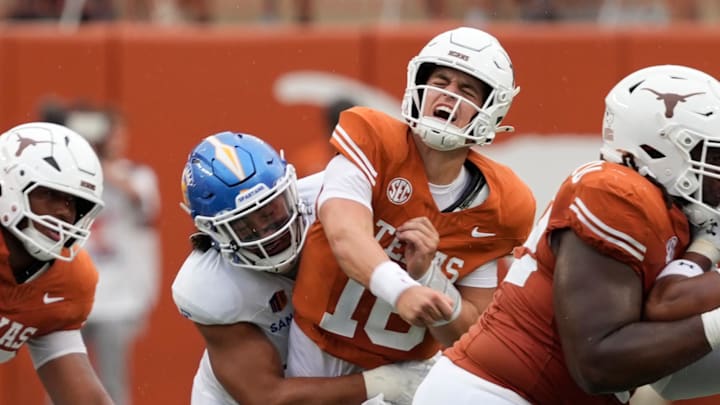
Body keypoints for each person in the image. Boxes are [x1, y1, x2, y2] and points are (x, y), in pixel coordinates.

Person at [412, 64, 720, 405]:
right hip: (493, 394)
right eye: (713, 155)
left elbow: (670, 361)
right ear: (661, 149)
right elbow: (597, 363)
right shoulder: (616, 192)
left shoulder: (674, 216)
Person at [287, 26, 535, 379]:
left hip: (404, 371)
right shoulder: (373, 138)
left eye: (466, 90)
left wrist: (428, 277)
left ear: (490, 110)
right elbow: (345, 234)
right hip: (312, 348)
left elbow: (468, 335)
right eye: (441, 81)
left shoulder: (500, 205)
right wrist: (402, 289)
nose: (449, 96)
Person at [172, 131, 439, 405]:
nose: (268, 233)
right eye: (244, 226)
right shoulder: (209, 287)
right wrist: (385, 383)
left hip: (340, 372)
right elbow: (268, 397)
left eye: (270, 211)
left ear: (290, 189)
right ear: (213, 232)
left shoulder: (332, 199)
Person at [0, 121, 111, 404]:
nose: (63, 212)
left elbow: (84, 399)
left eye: (73, 202)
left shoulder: (69, 281)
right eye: (49, 194)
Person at [62, 106, 161, 405]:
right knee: (62, 381)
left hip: (118, 299)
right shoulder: (71, 175)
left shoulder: (138, 175)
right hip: (74, 294)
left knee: (111, 384)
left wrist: (98, 162)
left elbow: (142, 203)